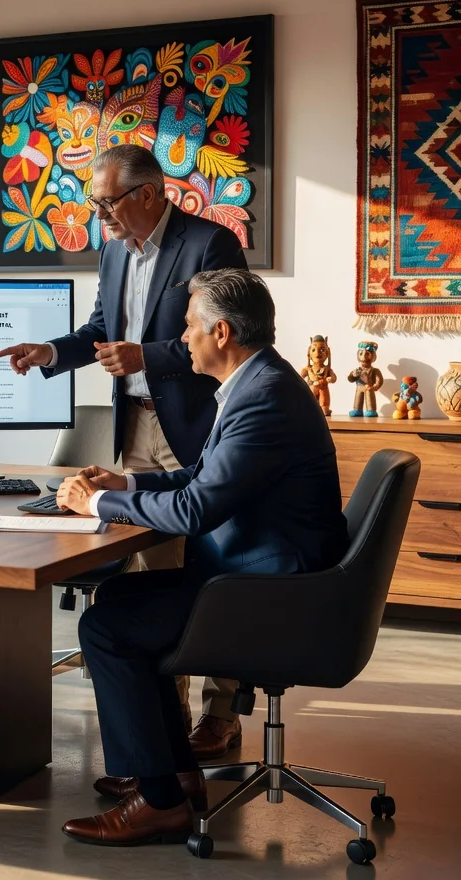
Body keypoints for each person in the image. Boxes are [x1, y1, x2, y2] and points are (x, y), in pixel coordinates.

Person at [54, 269, 349, 847]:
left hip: (270, 595)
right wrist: (125, 484)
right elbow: (203, 475)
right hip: (259, 576)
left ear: (221, 332)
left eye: (190, 326)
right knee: (117, 597)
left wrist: (98, 504)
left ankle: (159, 802)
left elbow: (195, 510)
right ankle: (175, 774)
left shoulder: (263, 397)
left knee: (107, 628)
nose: (182, 337)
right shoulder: (259, 382)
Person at [0, 144, 248, 755]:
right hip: (132, 426)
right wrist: (50, 353)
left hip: (195, 427)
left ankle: (222, 712)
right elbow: (100, 330)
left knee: (215, 566)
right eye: (94, 201)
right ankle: (168, 714)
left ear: (149, 194)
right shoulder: (112, 251)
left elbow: (228, 335)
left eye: (107, 202)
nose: (98, 214)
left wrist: (146, 356)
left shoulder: (209, 244)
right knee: (152, 570)